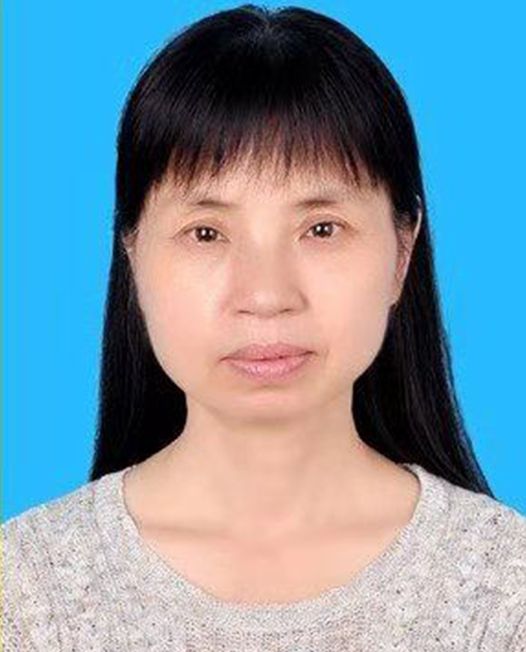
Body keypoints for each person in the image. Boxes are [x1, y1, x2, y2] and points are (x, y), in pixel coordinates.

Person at [3, 4, 525, 650]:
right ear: (132, 253)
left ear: (402, 252)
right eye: (206, 233)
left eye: (322, 229)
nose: (266, 296)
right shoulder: (28, 590)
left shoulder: (505, 592)